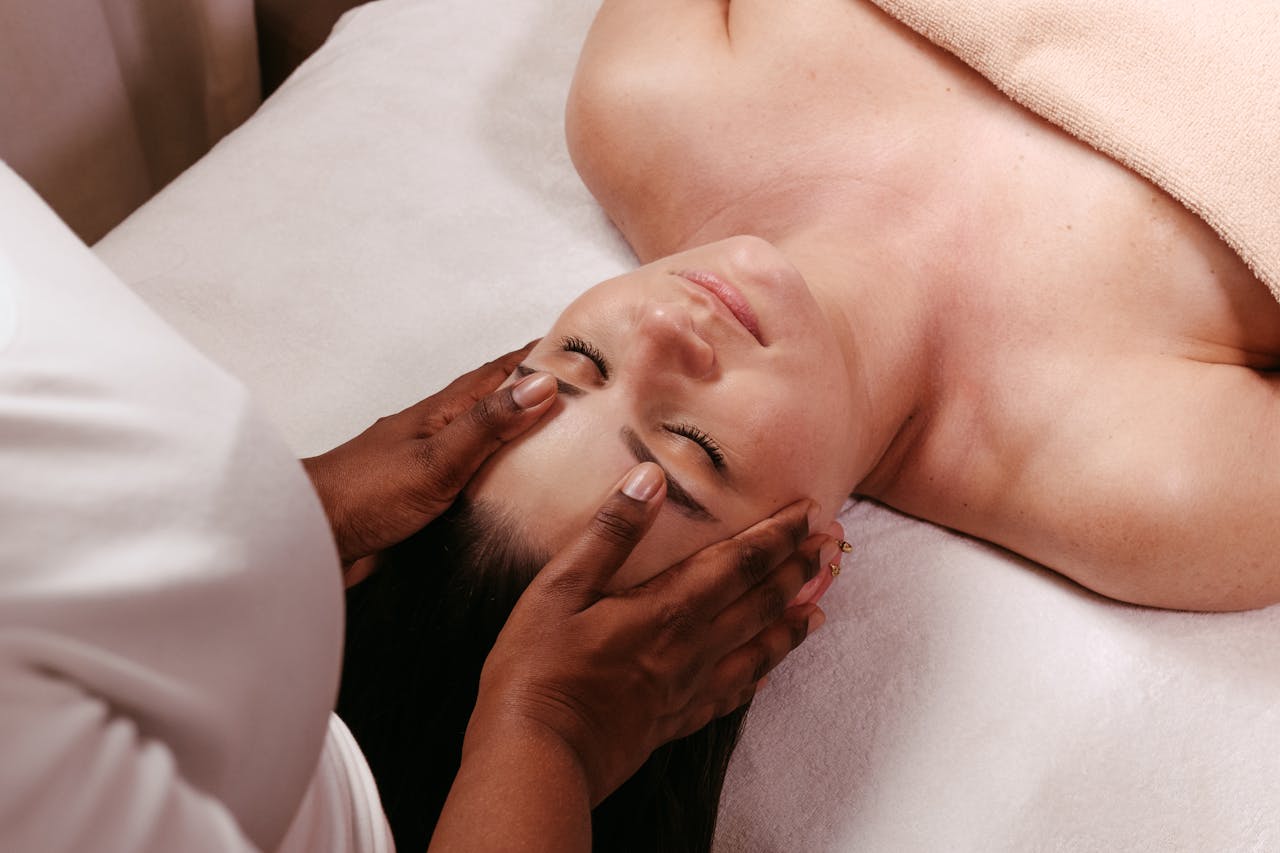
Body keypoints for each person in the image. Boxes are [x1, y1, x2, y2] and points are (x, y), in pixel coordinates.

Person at [453, 0, 1279, 614]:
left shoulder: (642, 100)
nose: (663, 328)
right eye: (693, 445)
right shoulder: (1152, 485)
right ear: (803, 567)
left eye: (582, 358)